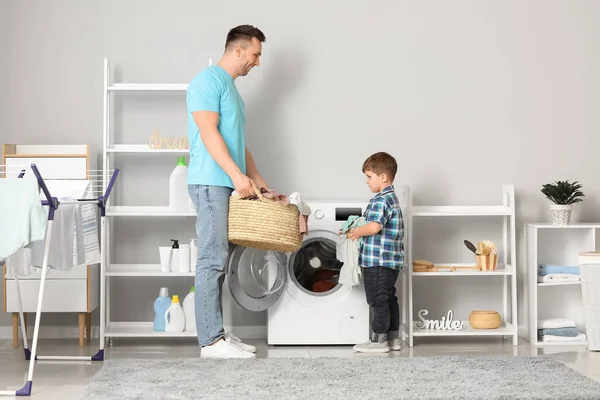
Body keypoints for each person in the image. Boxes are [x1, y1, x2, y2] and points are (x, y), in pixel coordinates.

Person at [186, 24, 268, 358]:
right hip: (210, 182)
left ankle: (217, 335)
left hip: (224, 183)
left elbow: (238, 145)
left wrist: (258, 179)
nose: (257, 62)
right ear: (238, 49)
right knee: (211, 258)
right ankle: (210, 342)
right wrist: (236, 177)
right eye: (255, 55)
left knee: (223, 260)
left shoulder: (233, 92)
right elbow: (208, 134)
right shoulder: (206, 80)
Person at [346, 152, 404, 353]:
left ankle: (378, 341)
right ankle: (393, 338)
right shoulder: (392, 198)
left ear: (383, 177)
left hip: (377, 261)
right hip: (390, 262)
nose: (366, 181)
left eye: (369, 176)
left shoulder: (381, 199)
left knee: (377, 300)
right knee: (388, 298)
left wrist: (356, 232)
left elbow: (374, 227)